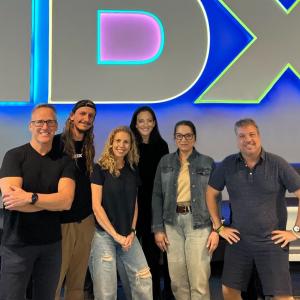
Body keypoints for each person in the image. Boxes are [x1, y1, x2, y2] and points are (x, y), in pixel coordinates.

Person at [206, 118, 300, 300]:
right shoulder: (228, 164)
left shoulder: (277, 164)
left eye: (251, 134)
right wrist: (218, 227)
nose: (248, 139)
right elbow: (210, 193)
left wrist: (295, 232)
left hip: (272, 242)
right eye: (242, 136)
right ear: (237, 139)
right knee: (228, 291)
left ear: (259, 136)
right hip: (239, 241)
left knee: (283, 297)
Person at [0, 104, 75, 300]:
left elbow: (66, 202)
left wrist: (29, 197)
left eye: (50, 122)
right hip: (17, 245)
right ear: (30, 126)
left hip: (51, 245)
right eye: (39, 122)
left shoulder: (65, 160)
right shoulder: (14, 156)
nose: (45, 126)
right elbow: (12, 202)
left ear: (56, 126)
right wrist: (50, 201)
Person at [152, 120, 219, 300]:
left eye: (188, 135)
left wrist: (216, 229)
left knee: (199, 280)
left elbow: (215, 198)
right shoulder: (165, 162)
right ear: (174, 139)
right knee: (177, 280)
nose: (184, 139)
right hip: (171, 224)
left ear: (194, 138)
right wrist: (158, 229)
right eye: (179, 136)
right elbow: (157, 195)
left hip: (199, 223)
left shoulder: (207, 162)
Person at [89, 126, 153, 300]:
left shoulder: (133, 169)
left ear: (131, 145)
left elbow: (135, 203)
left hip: (128, 236)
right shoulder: (99, 169)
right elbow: (96, 206)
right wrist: (115, 235)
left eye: (126, 142)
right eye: (118, 141)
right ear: (111, 143)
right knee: (107, 292)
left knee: (144, 280)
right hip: (104, 236)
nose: (121, 145)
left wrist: (132, 231)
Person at [54, 100, 97, 300]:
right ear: (72, 115)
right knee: (54, 280)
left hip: (86, 221)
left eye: (90, 116)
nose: (86, 118)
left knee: (77, 283)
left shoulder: (89, 146)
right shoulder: (56, 144)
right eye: (82, 113)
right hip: (61, 223)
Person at [130, 106, 172, 299]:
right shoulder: (129, 145)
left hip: (155, 205)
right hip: (134, 205)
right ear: (135, 124)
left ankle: (160, 293)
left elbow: (166, 179)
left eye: (149, 120)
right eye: (141, 121)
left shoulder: (162, 146)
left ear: (154, 123)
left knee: (155, 257)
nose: (145, 124)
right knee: (136, 256)